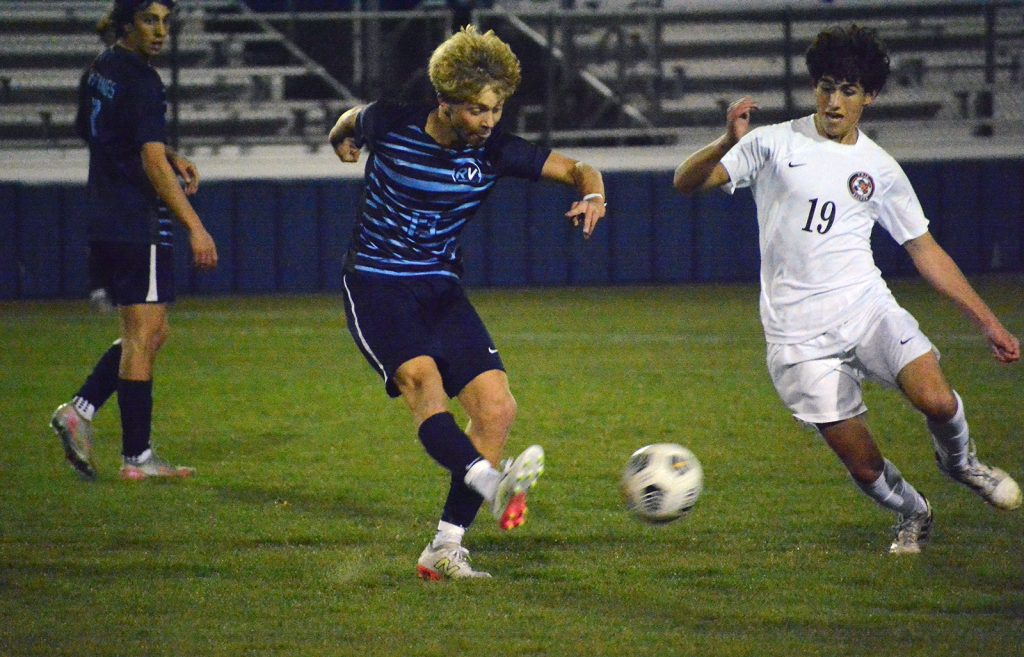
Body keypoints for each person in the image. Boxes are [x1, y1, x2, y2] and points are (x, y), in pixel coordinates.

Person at [673, 24, 1020, 554]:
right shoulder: (770, 143)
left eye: (849, 91)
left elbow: (924, 250)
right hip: (797, 337)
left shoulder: (879, 169)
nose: (834, 102)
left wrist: (988, 322)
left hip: (866, 310)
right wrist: (726, 140)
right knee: (863, 463)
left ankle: (963, 463)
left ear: (870, 96)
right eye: (826, 87)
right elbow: (687, 183)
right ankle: (914, 512)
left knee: (938, 400)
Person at [328, 25, 606, 579]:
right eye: (479, 110)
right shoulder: (393, 121)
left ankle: (444, 547)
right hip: (378, 283)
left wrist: (593, 194)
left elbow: (578, 169)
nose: (490, 121)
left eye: (498, 109)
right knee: (423, 385)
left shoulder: (496, 150)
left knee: (497, 409)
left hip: (440, 288)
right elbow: (350, 120)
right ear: (446, 102)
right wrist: (343, 140)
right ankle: (489, 483)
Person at [50, 0, 218, 481]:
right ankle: (136, 458)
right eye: (150, 20)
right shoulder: (145, 81)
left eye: (166, 21)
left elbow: (93, 130)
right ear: (127, 26)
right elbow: (149, 164)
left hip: (103, 216)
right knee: (144, 337)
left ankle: (80, 411)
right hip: (136, 221)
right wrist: (195, 226)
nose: (161, 31)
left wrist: (164, 150)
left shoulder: (101, 67)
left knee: (149, 333)